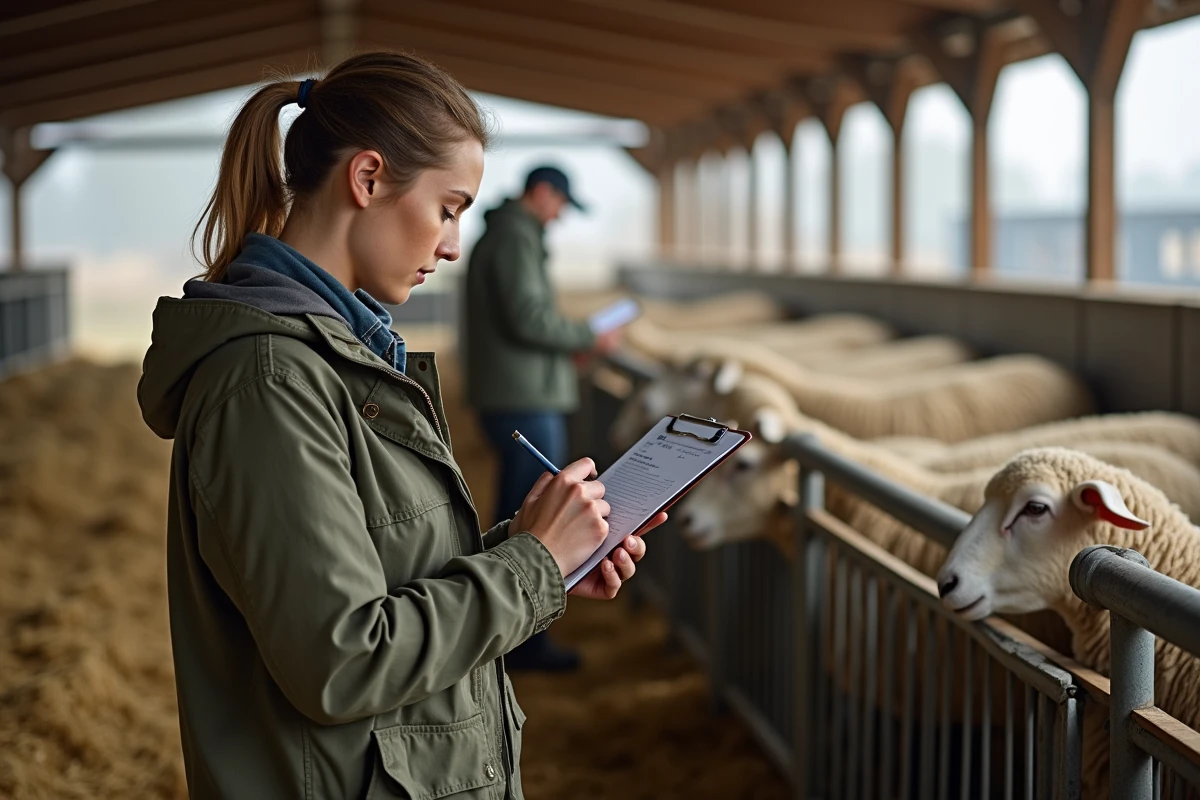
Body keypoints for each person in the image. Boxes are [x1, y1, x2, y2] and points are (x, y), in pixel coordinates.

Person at [136, 52, 663, 800]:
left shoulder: (340, 356)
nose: (450, 245)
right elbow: (342, 659)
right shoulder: (269, 381)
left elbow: (379, 574)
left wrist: (536, 550)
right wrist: (530, 569)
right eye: (447, 208)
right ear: (369, 178)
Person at [464, 166, 621, 672]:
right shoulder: (514, 238)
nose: (557, 219)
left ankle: (510, 634)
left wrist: (563, 355)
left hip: (519, 390)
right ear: (541, 193)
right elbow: (527, 316)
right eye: (558, 205)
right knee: (534, 519)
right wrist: (585, 336)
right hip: (523, 398)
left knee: (524, 510)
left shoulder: (511, 235)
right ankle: (521, 643)